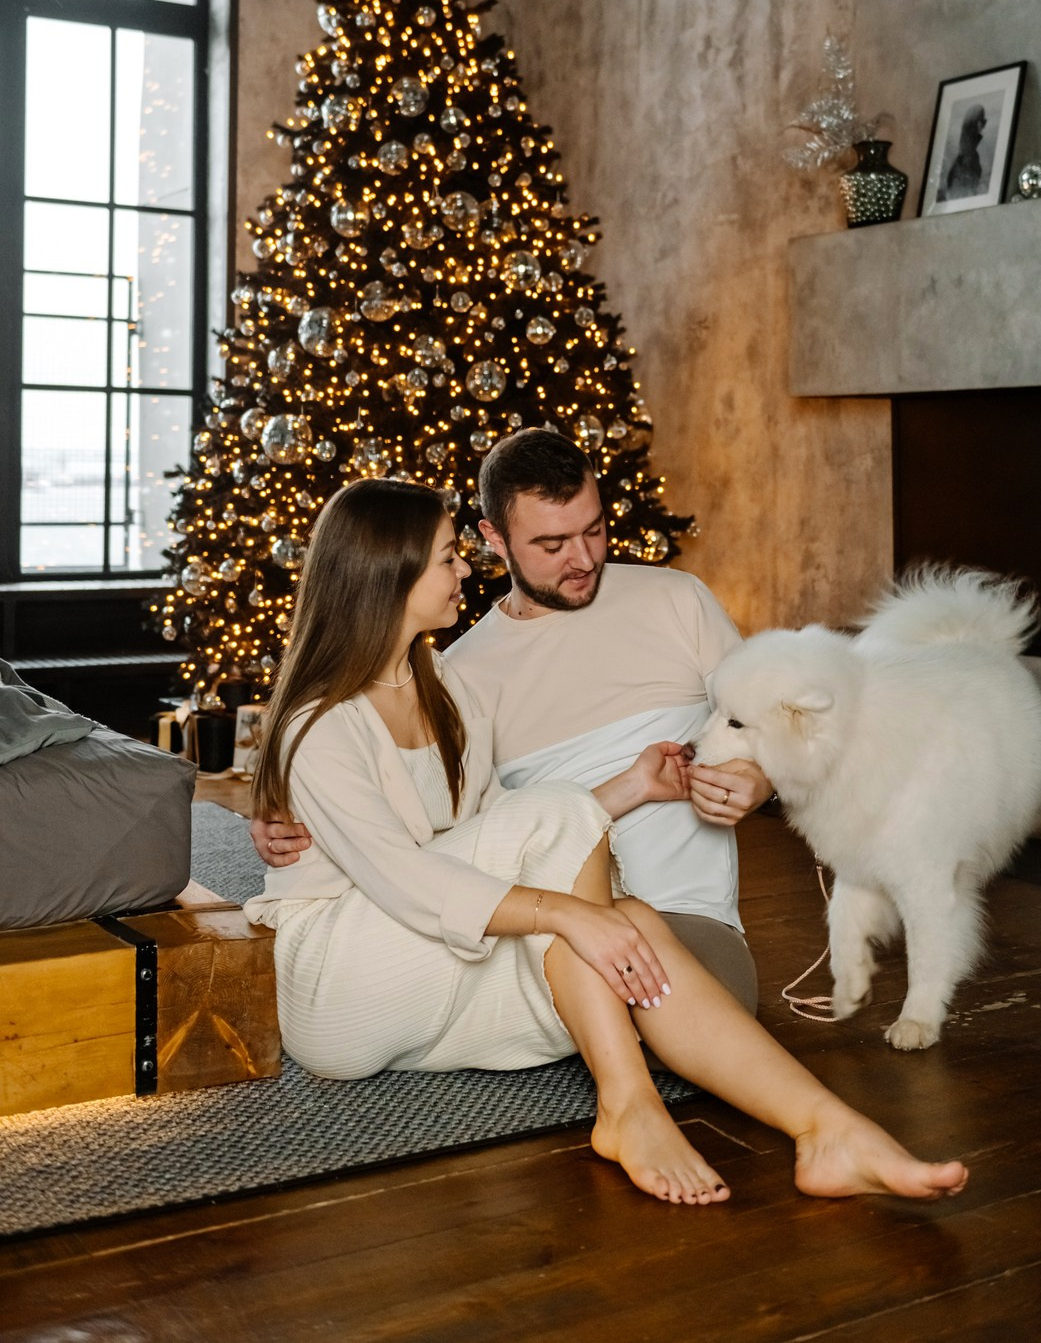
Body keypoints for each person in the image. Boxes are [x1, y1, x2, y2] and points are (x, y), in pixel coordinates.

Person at [245, 476, 968, 1207]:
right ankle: (627, 1103)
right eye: (445, 557)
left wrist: (628, 790)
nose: (465, 569)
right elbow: (404, 874)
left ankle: (827, 1129)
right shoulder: (320, 722)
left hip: (424, 963)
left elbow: (494, 830)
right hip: (341, 987)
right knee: (592, 908)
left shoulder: (443, 684)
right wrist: (565, 913)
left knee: (635, 927)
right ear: (387, 575)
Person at [254, 430, 773, 1009]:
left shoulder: (678, 600)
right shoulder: (458, 673)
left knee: (705, 1000)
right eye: (552, 544)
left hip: (680, 913)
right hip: (541, 930)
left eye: (595, 530)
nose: (583, 559)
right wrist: (297, 815)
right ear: (494, 538)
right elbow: (442, 831)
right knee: (589, 1000)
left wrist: (763, 775)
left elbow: (779, 720)